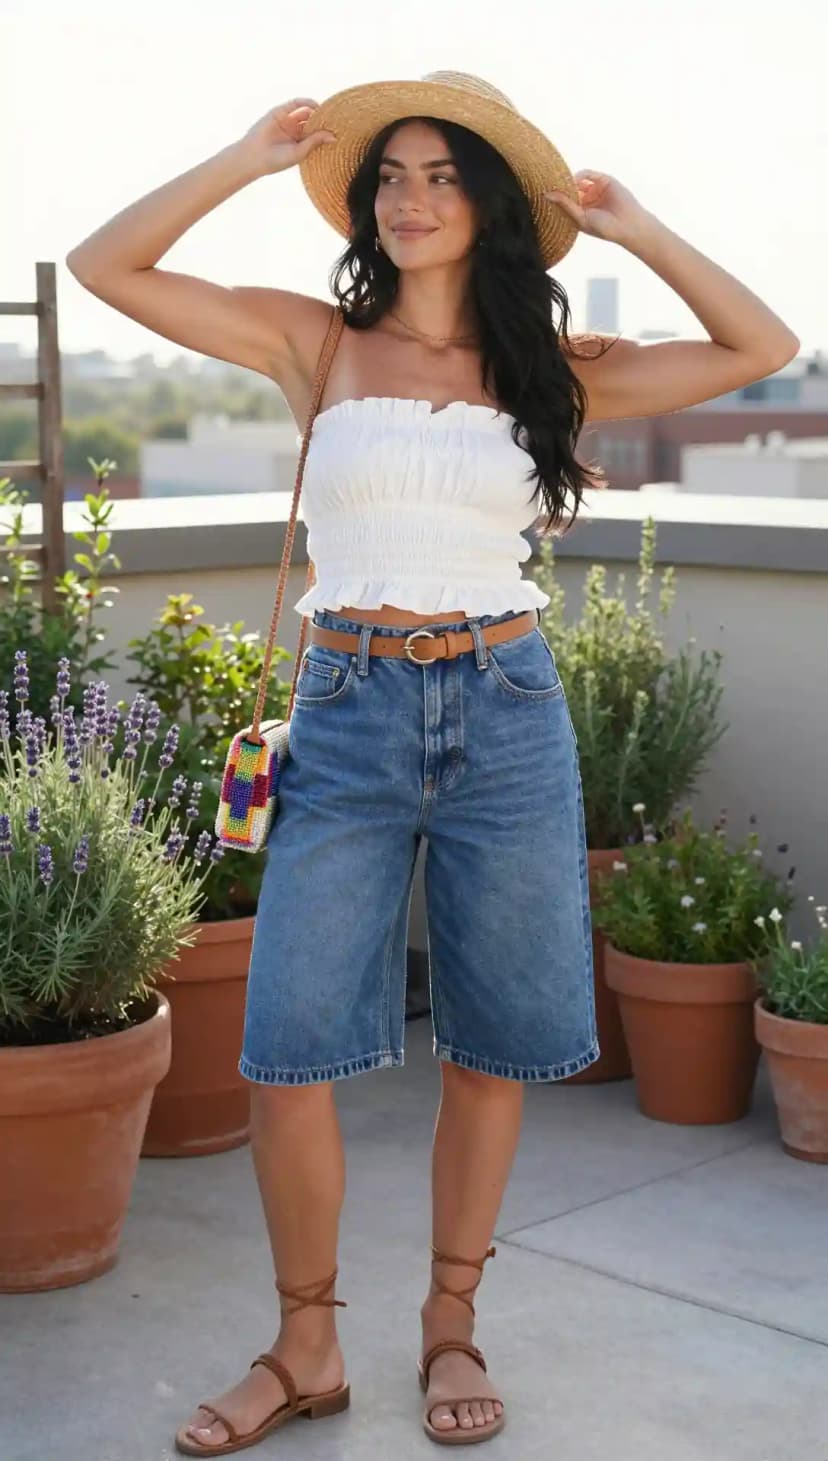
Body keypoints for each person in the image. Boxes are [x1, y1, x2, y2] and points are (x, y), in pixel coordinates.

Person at [66, 70, 799, 1456]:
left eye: (443, 175)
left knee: (491, 1041)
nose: (409, 198)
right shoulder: (313, 341)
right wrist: (240, 158)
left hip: (505, 707)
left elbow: (763, 343)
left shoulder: (552, 371)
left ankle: (450, 1319)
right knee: (287, 1047)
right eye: (390, 176)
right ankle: (306, 1341)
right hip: (345, 708)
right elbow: (107, 267)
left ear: (493, 206)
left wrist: (638, 229)